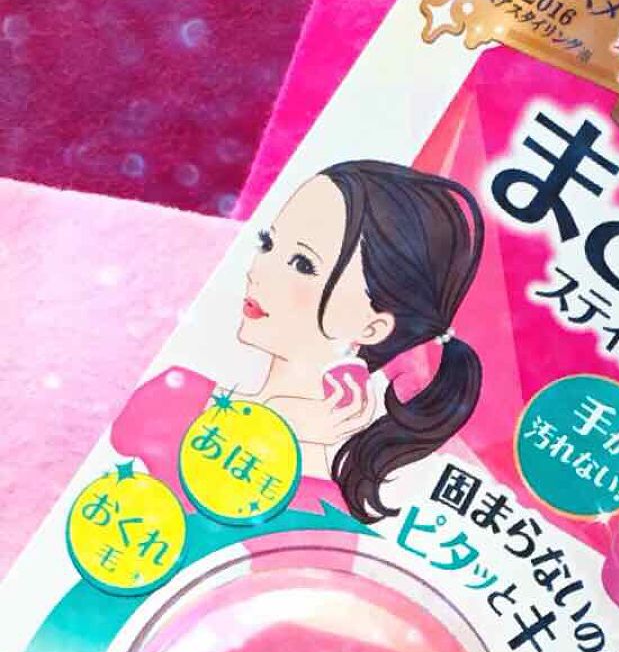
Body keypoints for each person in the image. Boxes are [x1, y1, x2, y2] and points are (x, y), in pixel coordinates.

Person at [112, 160, 485, 524]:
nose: (257, 270)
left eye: (303, 264)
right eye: (267, 244)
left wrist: (273, 431)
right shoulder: (176, 397)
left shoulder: (324, 515)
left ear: (372, 327)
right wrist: (272, 423)